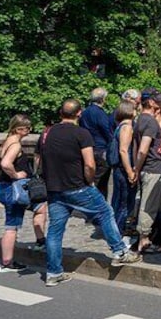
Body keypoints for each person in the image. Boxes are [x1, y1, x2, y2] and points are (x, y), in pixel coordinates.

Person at [41, 99, 140, 287]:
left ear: (60, 113)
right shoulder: (81, 134)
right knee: (105, 212)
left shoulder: (48, 132)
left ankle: (53, 273)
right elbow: (89, 164)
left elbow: (41, 158)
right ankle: (120, 251)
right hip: (77, 186)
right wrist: (90, 182)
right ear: (79, 114)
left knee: (55, 231)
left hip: (54, 188)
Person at [0, 114, 47, 272]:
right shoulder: (15, 145)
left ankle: (40, 240)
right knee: (12, 226)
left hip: (5, 187)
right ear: (19, 129)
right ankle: (7, 262)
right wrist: (16, 175)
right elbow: (5, 163)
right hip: (13, 189)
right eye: (28, 128)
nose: (30, 130)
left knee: (40, 207)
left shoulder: (7, 141)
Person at [132, 88, 161, 254]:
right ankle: (144, 241)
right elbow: (143, 149)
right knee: (149, 205)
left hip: (148, 167)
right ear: (151, 102)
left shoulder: (140, 119)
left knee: (149, 203)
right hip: (153, 167)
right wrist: (136, 169)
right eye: (158, 100)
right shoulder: (150, 122)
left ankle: (149, 236)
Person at [79, 87, 115, 199]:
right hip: (100, 149)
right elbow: (107, 131)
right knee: (101, 181)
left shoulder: (85, 112)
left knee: (90, 178)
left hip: (87, 147)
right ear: (103, 99)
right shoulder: (100, 113)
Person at [111, 100, 137, 239]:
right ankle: (117, 233)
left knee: (119, 200)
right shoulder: (126, 127)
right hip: (122, 169)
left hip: (118, 169)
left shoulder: (119, 125)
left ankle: (116, 229)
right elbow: (123, 150)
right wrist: (130, 172)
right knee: (124, 202)